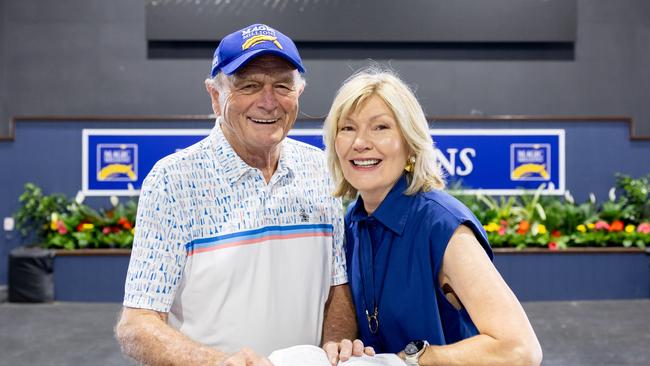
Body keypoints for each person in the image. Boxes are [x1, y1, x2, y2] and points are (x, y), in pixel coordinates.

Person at [115, 24, 361, 366]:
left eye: (282, 86)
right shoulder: (173, 181)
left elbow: (337, 285)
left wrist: (337, 342)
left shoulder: (321, 170)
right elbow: (137, 324)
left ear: (299, 92)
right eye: (249, 86)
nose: (268, 102)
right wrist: (215, 362)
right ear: (215, 96)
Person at [321, 68, 543, 366]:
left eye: (380, 127)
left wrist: (415, 358)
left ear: (410, 144)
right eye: (347, 128)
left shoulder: (441, 225)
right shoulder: (354, 222)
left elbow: (520, 349)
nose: (360, 142)